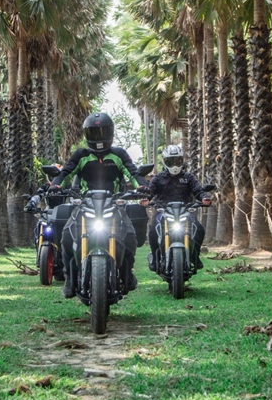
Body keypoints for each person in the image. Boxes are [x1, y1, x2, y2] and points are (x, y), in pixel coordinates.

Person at [48, 112, 148, 298]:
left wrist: (142, 186)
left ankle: (127, 274)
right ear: (86, 135)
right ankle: (70, 279)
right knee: (66, 236)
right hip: (85, 204)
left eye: (103, 132)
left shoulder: (118, 154)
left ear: (110, 132)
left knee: (130, 235)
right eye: (94, 133)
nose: (99, 137)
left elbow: (133, 173)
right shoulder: (81, 155)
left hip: (113, 204)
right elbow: (66, 173)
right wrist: (56, 185)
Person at [145, 144, 211, 272]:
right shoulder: (158, 178)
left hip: (185, 211)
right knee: (153, 230)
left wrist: (204, 198)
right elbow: (150, 192)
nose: (174, 164)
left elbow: (198, 190)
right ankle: (155, 258)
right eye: (171, 161)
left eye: (177, 161)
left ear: (182, 161)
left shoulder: (188, 177)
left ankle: (195, 256)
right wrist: (146, 199)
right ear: (165, 162)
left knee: (199, 229)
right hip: (163, 212)